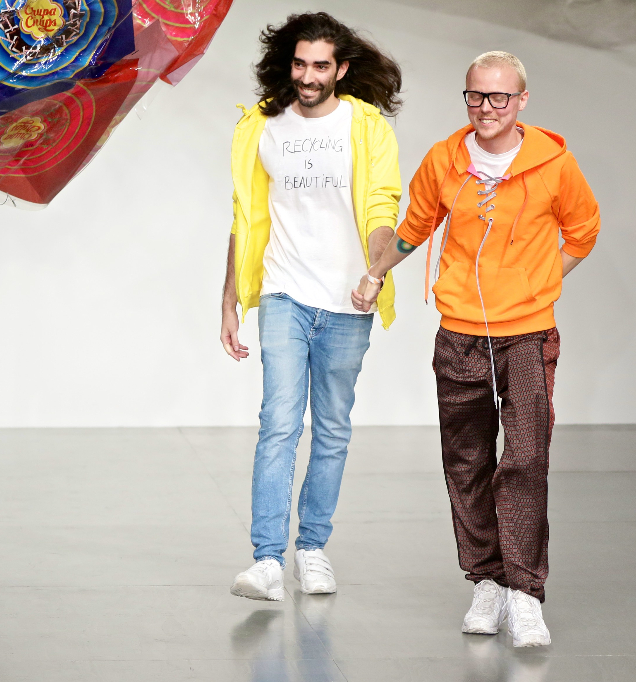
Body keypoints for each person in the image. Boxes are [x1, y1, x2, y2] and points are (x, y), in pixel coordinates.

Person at [352, 51, 600, 646]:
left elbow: (583, 231)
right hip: (460, 332)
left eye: (499, 97)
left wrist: (540, 281)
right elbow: (415, 227)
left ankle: (525, 594)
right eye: (476, 96)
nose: (487, 108)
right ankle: (487, 582)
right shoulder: (445, 159)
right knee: (466, 460)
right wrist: (376, 272)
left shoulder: (553, 163)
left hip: (528, 335)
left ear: (521, 100)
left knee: (526, 460)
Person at [221, 12, 402, 601]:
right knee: (278, 423)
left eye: (320, 65)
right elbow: (244, 218)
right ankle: (267, 559)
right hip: (283, 293)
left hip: (348, 300)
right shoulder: (260, 126)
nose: (307, 76)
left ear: (340, 69)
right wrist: (230, 300)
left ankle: (312, 548)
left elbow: (382, 207)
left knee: (331, 429)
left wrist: (376, 272)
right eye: (300, 64)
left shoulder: (366, 127)